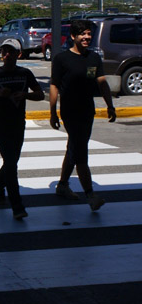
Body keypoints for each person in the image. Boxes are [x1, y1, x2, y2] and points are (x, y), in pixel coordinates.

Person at [50, 19, 116, 211]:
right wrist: (53, 113)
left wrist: (110, 105)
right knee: (80, 152)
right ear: (73, 37)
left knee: (75, 146)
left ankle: (62, 185)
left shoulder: (94, 58)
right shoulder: (62, 59)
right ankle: (91, 195)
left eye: (89, 34)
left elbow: (102, 82)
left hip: (88, 110)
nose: (87, 37)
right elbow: (54, 85)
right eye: (82, 34)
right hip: (70, 111)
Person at [0, 38, 44, 220]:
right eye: (4, 51)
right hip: (0, 125)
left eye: (10, 51)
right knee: (12, 165)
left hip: (18, 125)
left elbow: (40, 94)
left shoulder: (25, 73)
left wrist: (26, 95)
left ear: (18, 54)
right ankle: (17, 206)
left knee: (11, 161)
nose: (6, 54)